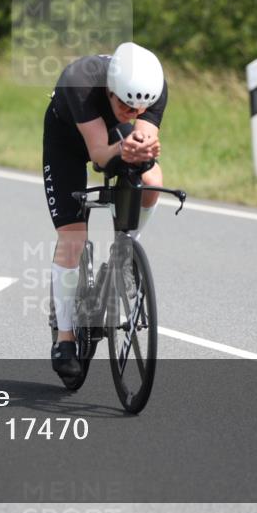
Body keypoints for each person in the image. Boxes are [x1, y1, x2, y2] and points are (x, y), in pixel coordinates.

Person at [42, 42, 167, 377]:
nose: (132, 112)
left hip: (112, 134)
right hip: (67, 140)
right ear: (110, 89)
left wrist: (142, 149)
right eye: (125, 104)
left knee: (151, 179)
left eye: (140, 108)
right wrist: (122, 150)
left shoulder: (151, 89)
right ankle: (64, 338)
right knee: (72, 238)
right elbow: (99, 155)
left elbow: (141, 141)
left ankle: (124, 254)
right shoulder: (80, 82)